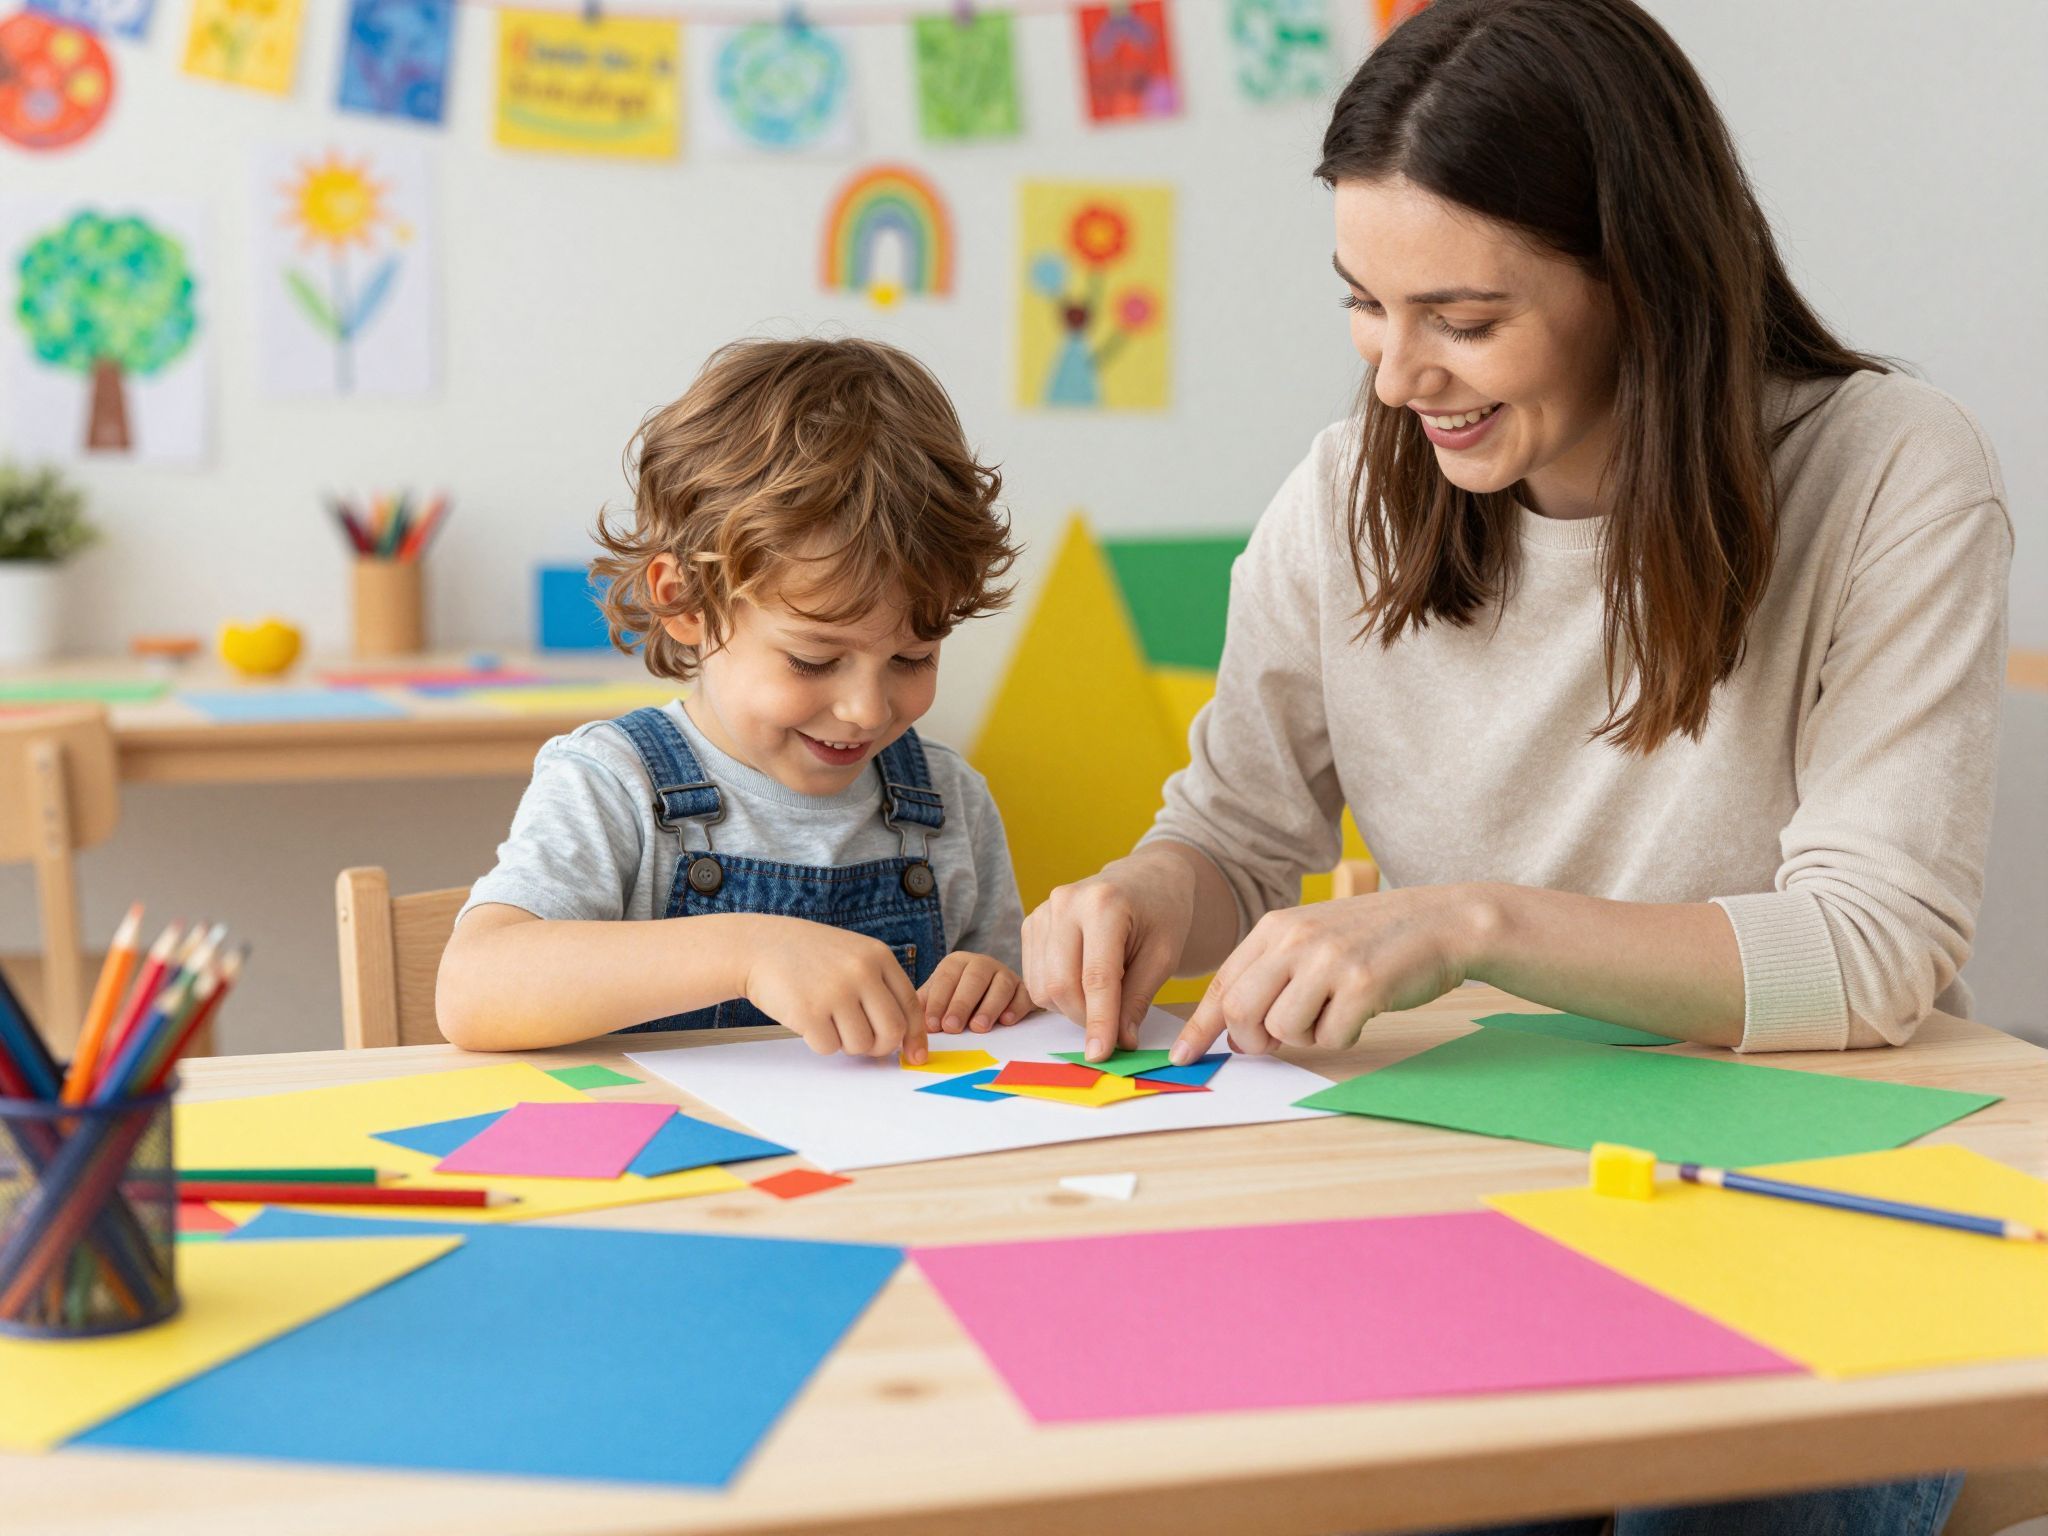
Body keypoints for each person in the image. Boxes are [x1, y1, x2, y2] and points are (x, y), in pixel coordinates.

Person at [1023, 1, 2003, 1530]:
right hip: (1467, 1190)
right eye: (1365, 304)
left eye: (1464, 320)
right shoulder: (1352, 488)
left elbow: (1874, 953)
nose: (1402, 376)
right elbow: (1233, 827)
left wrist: (1474, 925)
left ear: (1641, 279)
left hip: (1808, 1200)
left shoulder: (1888, 470)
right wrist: (1152, 893)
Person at [439, 338, 1028, 1063]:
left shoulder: (949, 803)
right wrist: (748, 950)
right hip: (673, 1168)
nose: (867, 710)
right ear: (685, 601)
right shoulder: (612, 784)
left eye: (913, 658)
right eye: (815, 659)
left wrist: (995, 990)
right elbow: (473, 989)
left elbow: (1016, 1023)